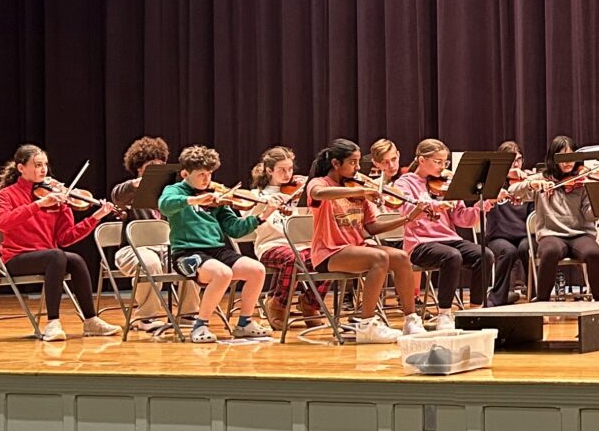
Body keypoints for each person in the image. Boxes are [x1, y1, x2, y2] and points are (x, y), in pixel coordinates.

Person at [0, 145, 121, 342]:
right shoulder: (6, 195)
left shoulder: (54, 197)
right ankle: (53, 322)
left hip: (48, 257)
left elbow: (66, 238)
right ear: (21, 168)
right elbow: (3, 223)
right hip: (16, 258)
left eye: (44, 165)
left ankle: (91, 320)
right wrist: (39, 205)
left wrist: (95, 217)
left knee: (75, 259)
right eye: (37, 165)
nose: (43, 170)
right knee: (56, 255)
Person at [304, 138, 424, 342]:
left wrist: (407, 218)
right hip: (329, 252)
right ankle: (367, 324)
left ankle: (410, 319)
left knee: (401, 257)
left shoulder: (359, 189)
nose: (358, 168)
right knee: (378, 258)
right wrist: (360, 191)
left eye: (359, 162)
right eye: (353, 162)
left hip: (356, 248)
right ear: (335, 164)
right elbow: (318, 193)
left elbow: (371, 228)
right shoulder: (321, 183)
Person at [159, 146, 272, 342]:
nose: (206, 179)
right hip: (186, 253)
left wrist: (261, 217)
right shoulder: (175, 190)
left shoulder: (216, 196)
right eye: (201, 174)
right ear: (186, 173)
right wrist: (194, 200)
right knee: (222, 273)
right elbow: (165, 205)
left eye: (209, 173)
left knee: (257, 270)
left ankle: (244, 322)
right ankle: (200, 325)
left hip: (216, 251)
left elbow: (235, 228)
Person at [395, 139, 490, 319]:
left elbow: (463, 219)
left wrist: (483, 204)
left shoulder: (446, 183)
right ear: (421, 160)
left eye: (445, 162)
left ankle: (476, 309)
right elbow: (406, 210)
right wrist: (435, 206)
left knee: (484, 255)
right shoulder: (404, 183)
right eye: (437, 162)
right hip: (420, 243)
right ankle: (444, 313)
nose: (442, 167)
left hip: (449, 239)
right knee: (451, 256)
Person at [246, 146, 319, 333]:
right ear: (269, 170)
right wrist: (266, 206)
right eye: (281, 170)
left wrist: (309, 191)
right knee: (293, 258)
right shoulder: (257, 195)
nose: (288, 174)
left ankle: (309, 302)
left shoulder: (298, 193)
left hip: (301, 245)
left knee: (327, 256)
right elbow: (247, 220)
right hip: (271, 245)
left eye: (290, 169)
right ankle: (277, 303)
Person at [531, 137, 599, 300]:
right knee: (550, 251)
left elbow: (589, 215)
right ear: (554, 158)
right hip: (551, 235)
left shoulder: (581, 182)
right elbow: (514, 190)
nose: (567, 163)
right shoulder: (542, 180)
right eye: (562, 157)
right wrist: (532, 184)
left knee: (594, 253)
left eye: (571, 157)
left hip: (580, 234)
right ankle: (542, 302)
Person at [108, 134, 171, 329]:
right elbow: (117, 195)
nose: (157, 169)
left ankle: (188, 314)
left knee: (192, 259)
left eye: (161, 164)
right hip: (133, 251)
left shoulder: (169, 193)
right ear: (139, 168)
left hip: (165, 249)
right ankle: (145, 318)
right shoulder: (130, 191)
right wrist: (139, 183)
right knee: (150, 263)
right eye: (152, 164)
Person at [481, 142, 534, 305]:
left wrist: (530, 183)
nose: (515, 165)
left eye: (518, 160)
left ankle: (536, 295)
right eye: (510, 161)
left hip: (524, 234)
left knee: (527, 248)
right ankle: (497, 298)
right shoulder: (492, 182)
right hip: (499, 236)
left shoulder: (528, 183)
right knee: (508, 251)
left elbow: (533, 212)